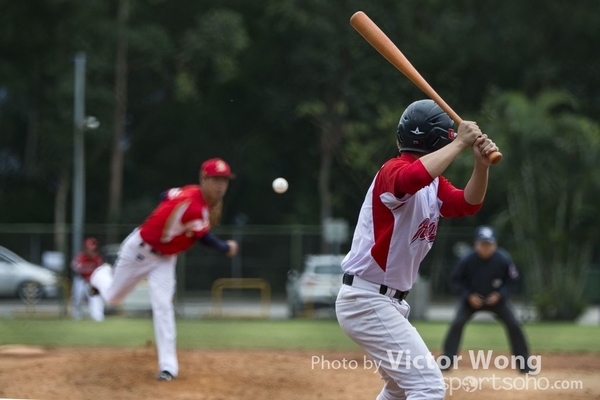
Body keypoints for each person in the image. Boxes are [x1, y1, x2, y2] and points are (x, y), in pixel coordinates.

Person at [335, 99, 499, 400]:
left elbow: (467, 204)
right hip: (367, 298)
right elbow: (409, 179)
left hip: (384, 302)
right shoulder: (393, 170)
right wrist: (460, 143)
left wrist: (481, 165)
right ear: (439, 138)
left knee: (399, 389)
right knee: (429, 386)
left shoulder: (433, 183)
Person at [90, 158, 239, 381]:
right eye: (215, 179)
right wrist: (227, 247)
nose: (220, 185)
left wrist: (168, 216)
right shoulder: (196, 208)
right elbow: (206, 240)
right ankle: (99, 274)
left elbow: (164, 195)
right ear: (204, 179)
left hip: (165, 259)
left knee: (163, 306)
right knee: (112, 298)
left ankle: (168, 367)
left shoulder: (189, 191)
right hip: (138, 251)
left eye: (224, 180)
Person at [441, 225, 530, 373]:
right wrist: (468, 295)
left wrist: (500, 294)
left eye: (489, 244)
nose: (486, 247)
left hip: (496, 300)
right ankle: (446, 362)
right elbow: (456, 281)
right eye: (483, 244)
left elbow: (513, 281)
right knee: (457, 323)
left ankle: (524, 364)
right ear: (476, 244)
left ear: (495, 244)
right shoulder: (467, 260)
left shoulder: (503, 259)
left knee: (514, 324)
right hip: (471, 300)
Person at [71, 237, 105, 321]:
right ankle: (77, 316)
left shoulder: (97, 258)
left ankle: (97, 317)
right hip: (81, 280)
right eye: (88, 248)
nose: (90, 250)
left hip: (92, 282)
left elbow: (101, 270)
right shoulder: (80, 257)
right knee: (77, 298)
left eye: (92, 248)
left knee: (95, 299)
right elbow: (74, 267)